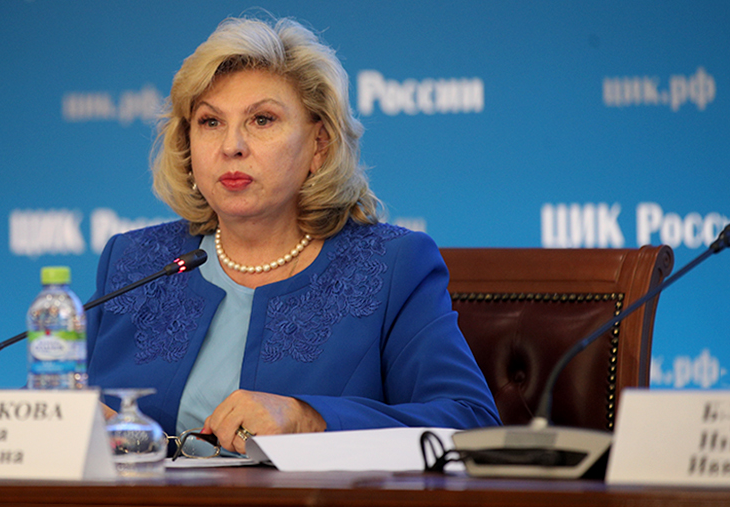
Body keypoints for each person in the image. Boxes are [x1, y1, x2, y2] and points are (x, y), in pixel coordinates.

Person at [86, 16, 500, 456]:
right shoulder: (134, 261)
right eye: (210, 122)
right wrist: (77, 422)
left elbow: (469, 422)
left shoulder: (392, 266)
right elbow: (54, 399)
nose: (231, 146)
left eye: (262, 119)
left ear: (319, 144)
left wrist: (310, 419)